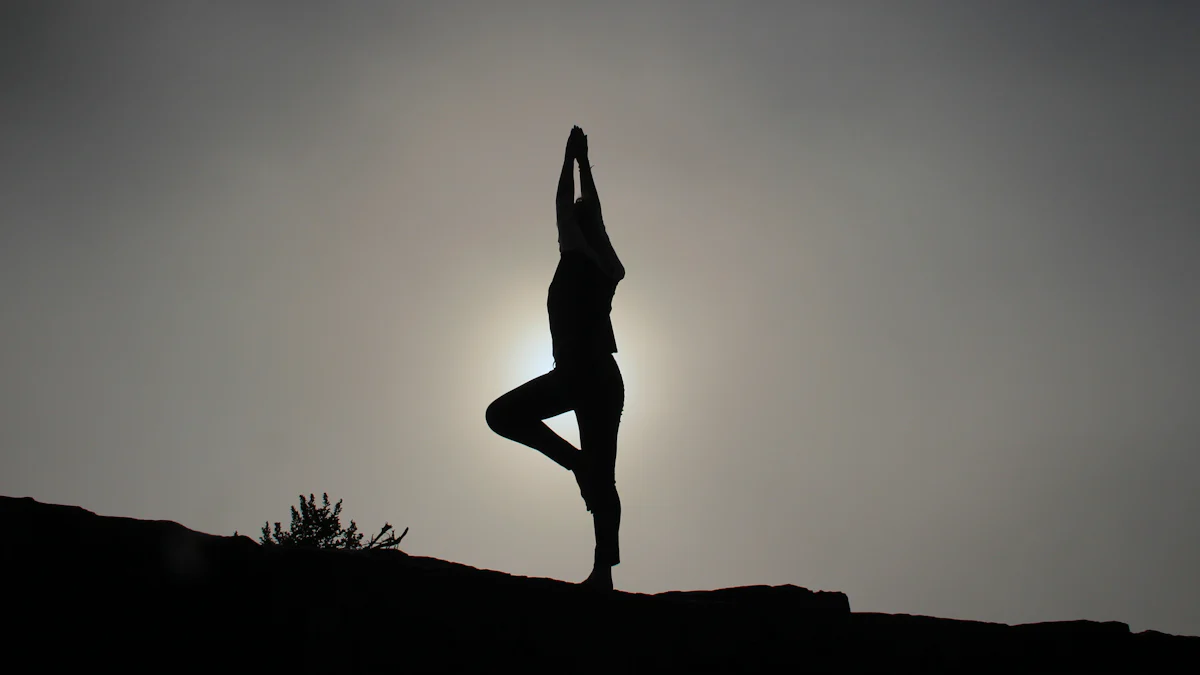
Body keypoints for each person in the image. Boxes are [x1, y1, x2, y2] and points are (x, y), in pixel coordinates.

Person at [486, 125, 626, 590]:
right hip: (605, 376)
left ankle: (576, 465)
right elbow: (594, 214)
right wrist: (585, 164)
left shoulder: (578, 255)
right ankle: (603, 571)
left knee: (501, 415)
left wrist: (571, 161)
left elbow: (568, 207)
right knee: (604, 476)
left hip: (580, 371)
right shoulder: (608, 265)